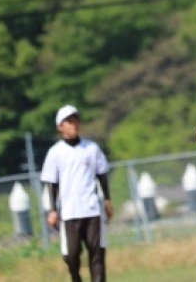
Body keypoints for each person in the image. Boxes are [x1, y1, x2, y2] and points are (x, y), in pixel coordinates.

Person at [40, 105, 114, 282]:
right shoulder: (55, 152)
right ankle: (76, 277)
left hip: (91, 209)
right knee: (71, 255)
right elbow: (52, 182)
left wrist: (107, 200)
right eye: (69, 121)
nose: (74, 124)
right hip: (69, 212)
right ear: (60, 127)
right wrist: (52, 210)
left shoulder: (91, 148)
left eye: (76, 120)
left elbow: (102, 174)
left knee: (97, 252)